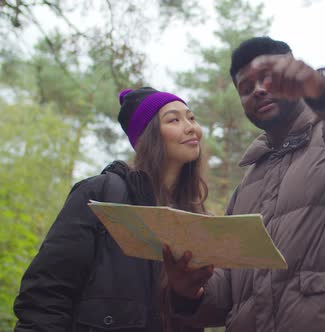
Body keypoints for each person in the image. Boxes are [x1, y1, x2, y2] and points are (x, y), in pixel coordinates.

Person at [163, 36, 325, 332]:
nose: (259, 90)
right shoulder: (247, 186)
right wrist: (190, 291)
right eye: (246, 88)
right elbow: (229, 291)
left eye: (268, 78)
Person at [13, 87, 208, 332]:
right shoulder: (99, 194)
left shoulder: (195, 216)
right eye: (174, 119)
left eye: (191, 118)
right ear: (147, 135)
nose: (191, 127)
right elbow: (46, 294)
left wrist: (187, 298)